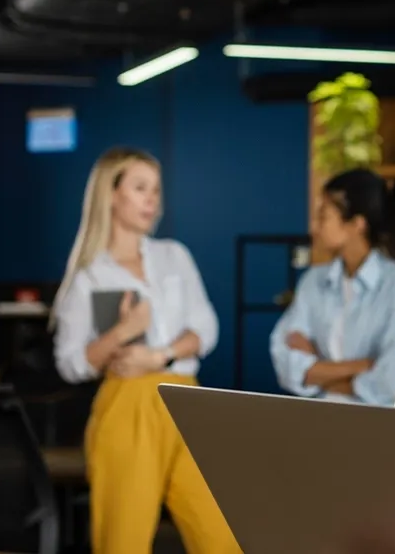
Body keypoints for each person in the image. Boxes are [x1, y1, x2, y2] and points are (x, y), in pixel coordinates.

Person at [49, 147, 240, 554]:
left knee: (223, 539)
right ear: (111, 195)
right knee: (124, 542)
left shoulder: (174, 256)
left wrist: (160, 355)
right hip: (127, 408)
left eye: (155, 189)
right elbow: (69, 363)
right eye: (140, 188)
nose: (152, 199)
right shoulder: (88, 276)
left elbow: (206, 328)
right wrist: (122, 332)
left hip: (188, 400)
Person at [270, 168, 395, 405]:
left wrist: (317, 371)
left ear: (356, 224)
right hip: (318, 419)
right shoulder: (313, 281)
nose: (314, 228)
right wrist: (362, 365)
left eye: (323, 216)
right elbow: (283, 358)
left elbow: (391, 379)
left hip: (378, 425)